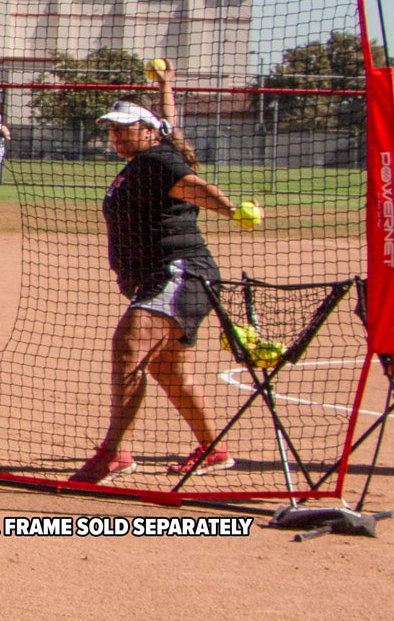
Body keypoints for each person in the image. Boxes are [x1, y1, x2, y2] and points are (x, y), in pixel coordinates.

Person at [69, 59, 262, 485]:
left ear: (147, 130)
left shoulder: (157, 161)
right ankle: (214, 451)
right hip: (165, 276)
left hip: (179, 272)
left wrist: (231, 210)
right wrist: (166, 86)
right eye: (113, 129)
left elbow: (193, 185)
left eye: (125, 128)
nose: (117, 135)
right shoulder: (156, 151)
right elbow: (171, 123)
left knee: (129, 347)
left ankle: (113, 455)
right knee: (168, 370)